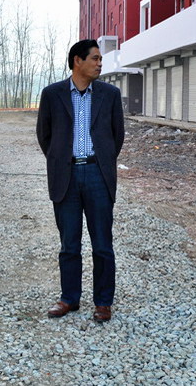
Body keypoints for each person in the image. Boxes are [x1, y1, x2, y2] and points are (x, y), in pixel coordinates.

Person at [36, 39, 125, 323]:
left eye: (100, 59)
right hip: (66, 176)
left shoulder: (110, 95)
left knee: (102, 244)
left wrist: (102, 161)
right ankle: (69, 298)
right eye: (95, 58)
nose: (100, 63)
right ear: (78, 61)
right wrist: (61, 160)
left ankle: (103, 302)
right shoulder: (52, 94)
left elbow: (117, 136)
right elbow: (44, 135)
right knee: (69, 244)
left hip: (98, 174)